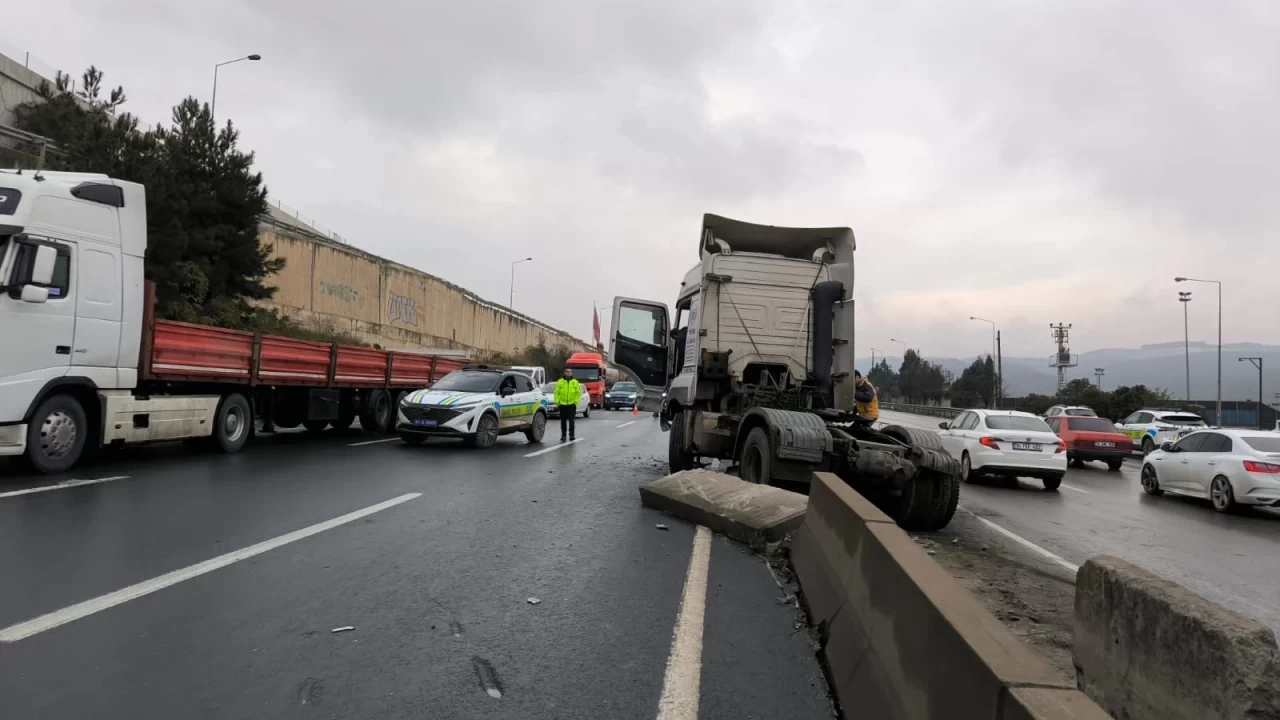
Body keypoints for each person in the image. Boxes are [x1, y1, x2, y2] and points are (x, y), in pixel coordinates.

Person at [553, 367, 584, 441]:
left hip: (571, 404)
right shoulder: (560, 382)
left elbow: (578, 393)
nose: (568, 373)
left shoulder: (575, 382)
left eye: (570, 372)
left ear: (571, 373)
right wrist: (557, 402)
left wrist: (575, 402)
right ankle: (563, 435)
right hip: (562, 404)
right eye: (567, 372)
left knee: (571, 420)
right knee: (563, 421)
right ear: (564, 373)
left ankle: (571, 435)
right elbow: (556, 393)